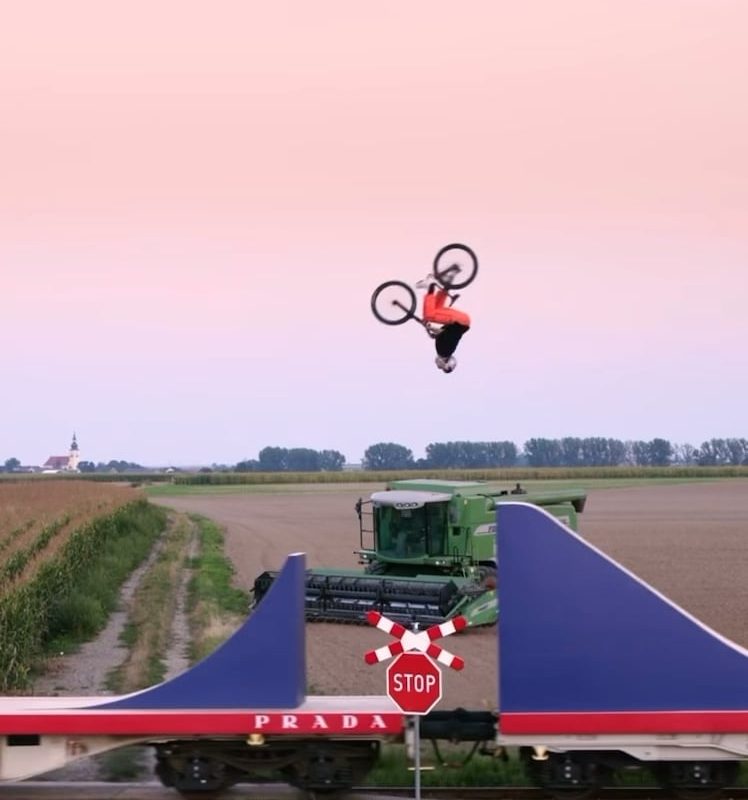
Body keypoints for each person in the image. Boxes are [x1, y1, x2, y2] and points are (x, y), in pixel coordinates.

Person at [416, 277, 471, 373]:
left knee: (436, 308)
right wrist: (429, 327)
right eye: (441, 366)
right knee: (429, 315)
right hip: (460, 321)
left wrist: (430, 330)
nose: (438, 366)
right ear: (445, 362)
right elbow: (445, 332)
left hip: (462, 321)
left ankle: (448, 280)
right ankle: (430, 286)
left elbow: (443, 334)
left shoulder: (445, 350)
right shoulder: (445, 351)